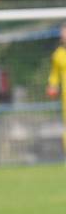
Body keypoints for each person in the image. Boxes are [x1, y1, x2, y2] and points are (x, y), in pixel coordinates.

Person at [46, 23, 66, 154]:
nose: (63, 35)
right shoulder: (58, 55)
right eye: (62, 33)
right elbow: (54, 75)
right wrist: (52, 86)